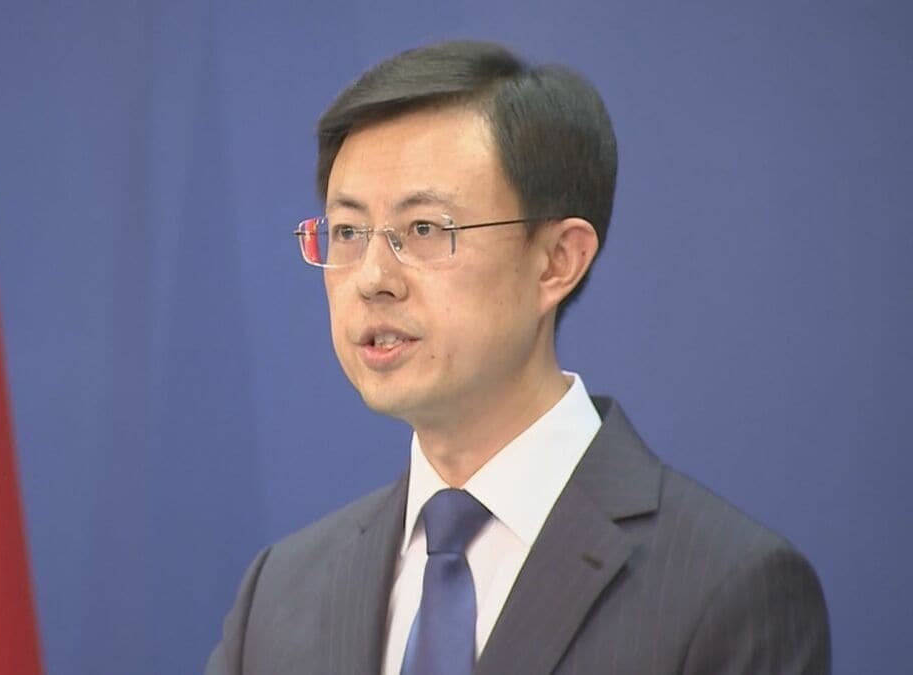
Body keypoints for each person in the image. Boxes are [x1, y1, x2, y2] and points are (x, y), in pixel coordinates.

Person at [206, 40, 830, 675]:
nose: (371, 279)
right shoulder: (280, 592)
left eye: (424, 229)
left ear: (557, 261)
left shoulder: (726, 589)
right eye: (347, 232)